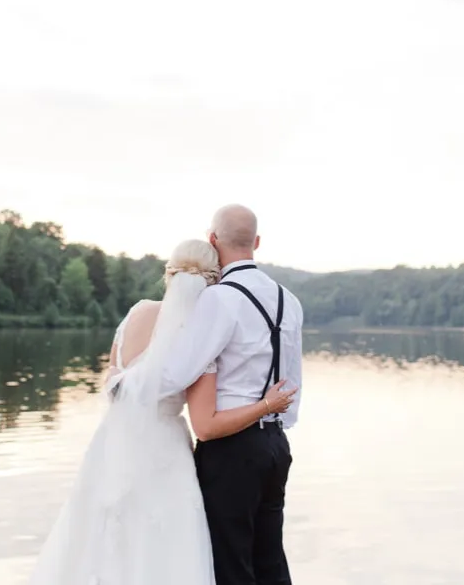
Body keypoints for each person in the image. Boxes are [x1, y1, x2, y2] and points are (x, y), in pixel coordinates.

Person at [28, 237, 298, 585]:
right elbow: (205, 422)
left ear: (169, 272)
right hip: (165, 450)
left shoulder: (136, 313)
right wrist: (266, 405)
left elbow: (113, 381)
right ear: (213, 281)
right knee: (165, 549)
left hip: (113, 443)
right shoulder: (195, 338)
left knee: (100, 537)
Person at [162, 204, 304, 585]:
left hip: (230, 448)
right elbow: (292, 381)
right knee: (271, 563)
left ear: (212, 240)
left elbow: (178, 373)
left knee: (231, 565)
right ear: (256, 242)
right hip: (275, 444)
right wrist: (273, 420)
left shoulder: (219, 299)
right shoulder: (289, 300)